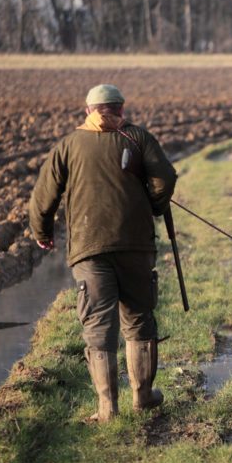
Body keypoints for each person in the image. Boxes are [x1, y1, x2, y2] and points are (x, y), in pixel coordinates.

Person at [29, 84, 177, 422]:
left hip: (88, 248)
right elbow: (165, 177)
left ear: (88, 111)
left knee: (98, 324)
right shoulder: (138, 138)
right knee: (139, 317)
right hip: (136, 246)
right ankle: (143, 396)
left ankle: (107, 409)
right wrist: (155, 204)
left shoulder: (67, 145)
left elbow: (43, 198)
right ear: (121, 109)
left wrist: (43, 234)